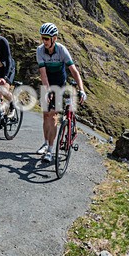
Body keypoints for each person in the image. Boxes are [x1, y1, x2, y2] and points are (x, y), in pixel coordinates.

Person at [36, 22, 87, 163]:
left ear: (54, 38)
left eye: (47, 38)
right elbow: (43, 74)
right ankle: (46, 143)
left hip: (59, 83)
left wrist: (82, 89)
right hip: (47, 82)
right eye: (42, 38)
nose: (44, 41)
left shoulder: (62, 50)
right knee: (45, 115)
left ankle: (50, 150)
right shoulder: (40, 50)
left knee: (52, 115)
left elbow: (74, 72)